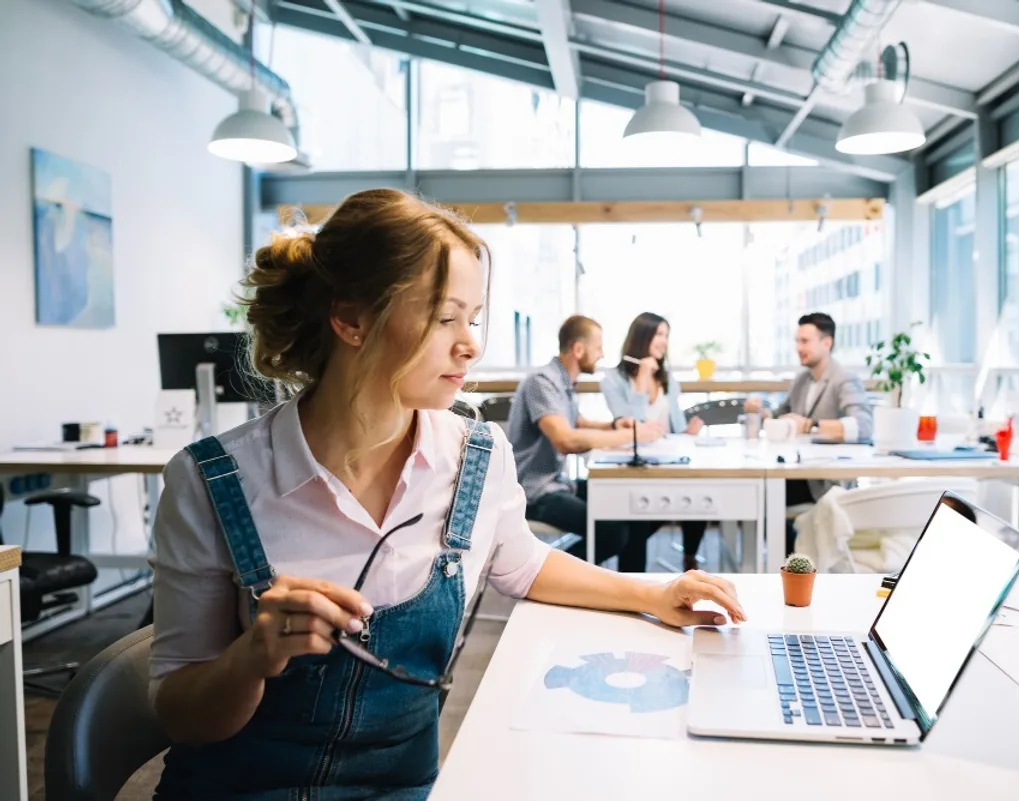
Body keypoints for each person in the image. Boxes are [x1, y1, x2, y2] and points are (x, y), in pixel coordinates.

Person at [147, 189, 746, 801]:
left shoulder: (474, 456)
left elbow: (524, 563)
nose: (470, 345)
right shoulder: (210, 482)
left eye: (475, 318)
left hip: (403, 788)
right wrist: (250, 657)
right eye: (444, 318)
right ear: (351, 319)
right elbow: (181, 712)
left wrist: (654, 592)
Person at [508, 315, 666, 572]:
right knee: (613, 532)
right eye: (598, 348)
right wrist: (633, 435)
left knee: (635, 509)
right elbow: (565, 440)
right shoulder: (542, 382)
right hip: (534, 491)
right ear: (578, 350)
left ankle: (634, 591)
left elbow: (576, 422)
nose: (602, 355)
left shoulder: (562, 382)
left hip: (558, 483)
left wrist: (616, 425)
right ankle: (545, 576)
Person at [744, 312, 873, 551]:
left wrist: (812, 425)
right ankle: (790, 558)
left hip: (825, 480)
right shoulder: (802, 379)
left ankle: (792, 561)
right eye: (797, 341)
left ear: (827, 343)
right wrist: (762, 412)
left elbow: (864, 426)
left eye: (805, 341)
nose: (798, 347)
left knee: (759, 496)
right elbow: (781, 415)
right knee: (751, 492)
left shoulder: (844, 379)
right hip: (799, 471)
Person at [600, 312, 709, 571]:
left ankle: (689, 557)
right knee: (638, 517)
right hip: (633, 464)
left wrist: (689, 432)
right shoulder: (613, 381)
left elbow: (676, 427)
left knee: (699, 488)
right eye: (659, 334)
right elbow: (631, 426)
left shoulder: (668, 380)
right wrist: (640, 382)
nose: (664, 341)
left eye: (666, 335)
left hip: (666, 461)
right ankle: (632, 577)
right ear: (642, 337)